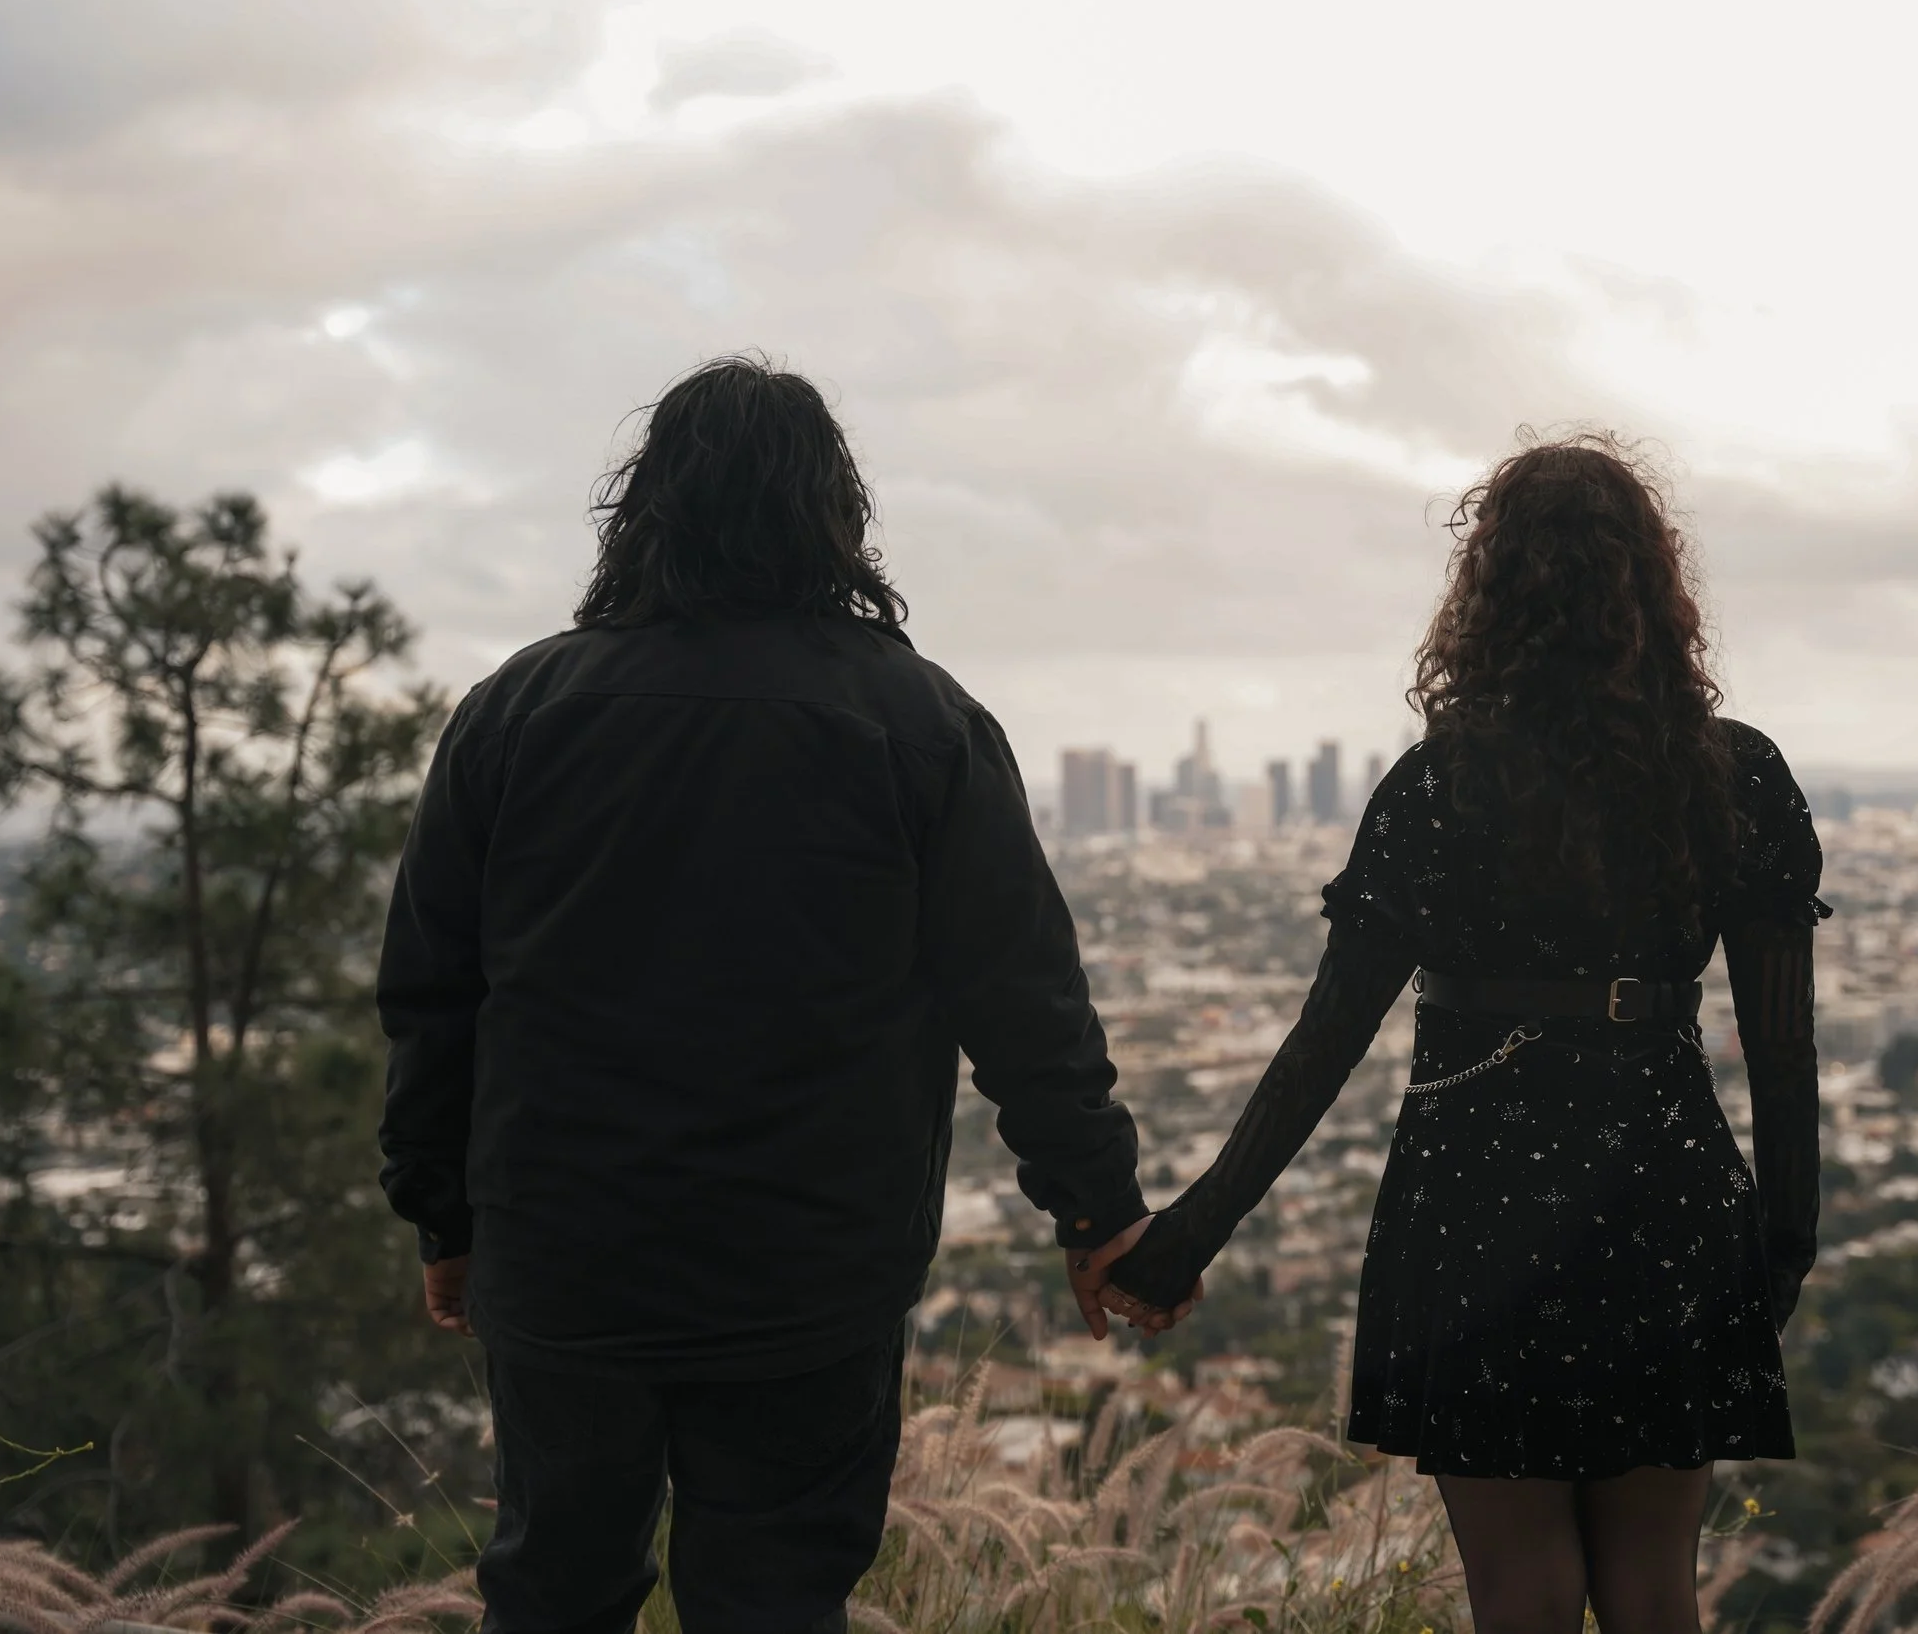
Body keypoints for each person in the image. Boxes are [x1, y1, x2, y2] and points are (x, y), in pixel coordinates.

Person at [375, 355, 1194, 1634]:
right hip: (809, 1272)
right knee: (776, 1603)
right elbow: (1023, 1001)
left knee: (549, 1590)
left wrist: (442, 1214)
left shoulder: (514, 713)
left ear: (642, 508)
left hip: (564, 1254)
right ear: (833, 514)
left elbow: (432, 991)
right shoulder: (921, 723)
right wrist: (1096, 1211)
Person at [1103, 435, 1828, 1634]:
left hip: (1477, 1196)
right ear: (1653, 588)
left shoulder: (1439, 784)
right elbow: (1781, 1048)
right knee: (1656, 1588)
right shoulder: (1734, 777)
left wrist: (1184, 1236)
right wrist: (1780, 1246)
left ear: (1486, 592)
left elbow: (1323, 1042)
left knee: (1522, 1591)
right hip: (1665, 1188)